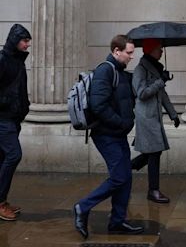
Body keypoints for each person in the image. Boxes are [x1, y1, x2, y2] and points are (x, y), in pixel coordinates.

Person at [73, 35, 143, 239]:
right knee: (119, 177)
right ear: (116, 51)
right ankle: (82, 207)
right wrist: (120, 122)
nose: (132, 56)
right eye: (129, 52)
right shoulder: (106, 70)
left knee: (126, 177)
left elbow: (124, 99)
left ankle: (117, 222)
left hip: (117, 134)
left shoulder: (120, 73)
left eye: (133, 52)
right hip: (106, 134)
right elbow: (98, 105)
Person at [131, 38, 180, 203]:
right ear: (150, 50)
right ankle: (153, 190)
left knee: (151, 152)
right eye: (159, 48)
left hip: (154, 116)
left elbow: (162, 95)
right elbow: (142, 93)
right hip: (146, 117)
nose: (162, 51)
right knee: (154, 152)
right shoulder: (140, 70)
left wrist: (173, 114)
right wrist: (160, 81)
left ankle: (127, 168)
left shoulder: (155, 68)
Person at [0, 24, 31, 221]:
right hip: (3, 119)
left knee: (3, 158)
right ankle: (0, 202)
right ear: (15, 40)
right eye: (25, 41)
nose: (27, 45)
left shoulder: (18, 61)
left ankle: (2, 200)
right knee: (13, 155)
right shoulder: (3, 61)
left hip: (13, 118)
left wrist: (23, 107)